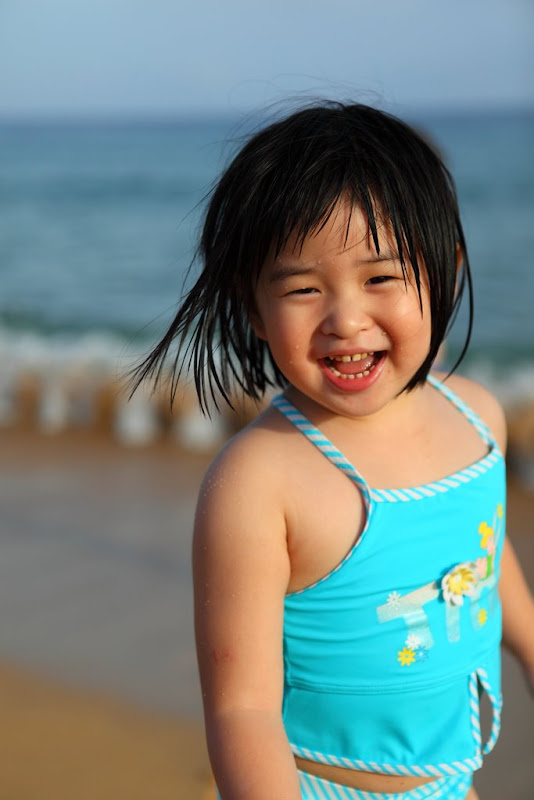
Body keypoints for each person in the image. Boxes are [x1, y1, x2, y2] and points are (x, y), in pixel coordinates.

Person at [134, 102, 534, 799]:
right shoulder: (260, 481)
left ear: (446, 270)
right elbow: (242, 711)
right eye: (303, 288)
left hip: (452, 782)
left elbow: (485, 553)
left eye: (381, 278)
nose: (345, 319)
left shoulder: (478, 418)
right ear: (253, 307)